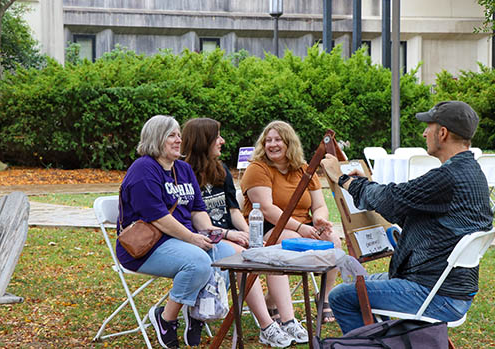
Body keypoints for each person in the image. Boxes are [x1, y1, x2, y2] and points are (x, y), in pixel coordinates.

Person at [320, 100, 493, 334]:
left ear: (442, 133)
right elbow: (402, 203)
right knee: (356, 285)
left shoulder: (448, 177)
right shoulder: (472, 173)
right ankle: (386, 340)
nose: (424, 133)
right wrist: (368, 186)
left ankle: (374, 343)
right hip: (450, 290)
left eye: (428, 127)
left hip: (436, 295)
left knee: (340, 296)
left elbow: (392, 199)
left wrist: (342, 179)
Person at [116, 115, 236, 348]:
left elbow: (197, 210)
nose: (178, 140)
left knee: (227, 255)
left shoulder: (183, 169)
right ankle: (165, 318)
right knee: (198, 263)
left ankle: (197, 313)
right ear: (156, 138)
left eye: (178, 135)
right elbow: (158, 218)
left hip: (182, 240)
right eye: (171, 135)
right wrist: (193, 238)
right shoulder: (143, 169)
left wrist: (210, 232)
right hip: (147, 247)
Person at [181, 117, 295, 347]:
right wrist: (229, 235)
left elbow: (233, 210)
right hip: (203, 239)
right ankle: (266, 326)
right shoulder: (183, 173)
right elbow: (194, 222)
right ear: (203, 141)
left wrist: (250, 235)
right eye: (217, 137)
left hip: (230, 235)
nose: (222, 141)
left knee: (268, 251)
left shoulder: (220, 169)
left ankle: (288, 319)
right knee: (242, 259)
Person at [240, 120, 342, 327]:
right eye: (268, 140)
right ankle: (275, 304)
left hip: (305, 225)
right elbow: (267, 209)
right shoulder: (257, 168)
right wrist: (300, 228)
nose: (272, 144)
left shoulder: (304, 170)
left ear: (289, 143)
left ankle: (324, 297)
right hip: (268, 227)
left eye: (278, 140)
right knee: (292, 241)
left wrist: (320, 218)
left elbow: (319, 205)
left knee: (333, 241)